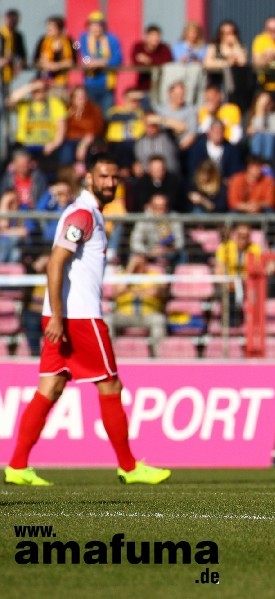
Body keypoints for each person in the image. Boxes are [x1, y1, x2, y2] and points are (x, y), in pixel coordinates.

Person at [3, 153, 172, 486]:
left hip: (64, 315)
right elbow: (55, 264)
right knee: (110, 385)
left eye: (114, 178)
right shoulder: (82, 215)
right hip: (80, 318)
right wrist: (58, 316)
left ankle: (18, 465)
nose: (110, 183)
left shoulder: (87, 213)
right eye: (103, 176)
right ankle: (128, 466)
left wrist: (54, 315)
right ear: (89, 179)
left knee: (50, 387)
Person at [78, 11, 122, 114]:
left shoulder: (112, 39)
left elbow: (117, 59)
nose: (96, 28)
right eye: (93, 25)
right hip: (90, 83)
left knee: (107, 114)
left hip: (107, 84)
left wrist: (99, 63)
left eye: (99, 25)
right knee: (91, 114)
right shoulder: (83, 38)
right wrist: (93, 62)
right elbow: (82, 56)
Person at [32, 15, 75, 94]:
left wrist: (57, 65)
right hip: (43, 80)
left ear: (59, 29)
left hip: (61, 81)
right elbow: (35, 59)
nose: (48, 30)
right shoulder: (42, 40)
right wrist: (46, 64)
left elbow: (73, 60)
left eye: (51, 28)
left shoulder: (69, 41)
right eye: (48, 27)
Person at [131, 24, 173, 93]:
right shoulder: (138, 47)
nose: (155, 38)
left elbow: (167, 63)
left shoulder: (164, 48)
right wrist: (154, 62)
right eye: (153, 36)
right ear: (146, 36)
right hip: (143, 86)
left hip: (161, 86)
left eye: (158, 36)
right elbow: (136, 62)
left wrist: (149, 60)